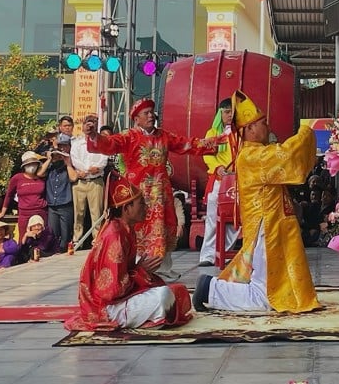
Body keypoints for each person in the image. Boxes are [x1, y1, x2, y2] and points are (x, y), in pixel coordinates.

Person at [193, 90, 320, 314]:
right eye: (263, 123)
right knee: (265, 296)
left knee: (276, 286)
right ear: (249, 129)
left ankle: (214, 289)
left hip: (274, 225)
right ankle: (210, 289)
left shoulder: (257, 153)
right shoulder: (252, 156)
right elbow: (287, 157)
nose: (268, 126)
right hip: (267, 229)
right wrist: (305, 132)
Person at [88, 98, 218, 279]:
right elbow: (109, 143)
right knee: (139, 228)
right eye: (146, 113)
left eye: (151, 112)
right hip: (138, 194)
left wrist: (216, 143)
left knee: (163, 227)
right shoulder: (129, 136)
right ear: (136, 118)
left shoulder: (163, 136)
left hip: (161, 193)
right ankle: (139, 267)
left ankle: (163, 268)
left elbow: (186, 144)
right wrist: (94, 136)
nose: (151, 116)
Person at [64, 177, 194, 331]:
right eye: (141, 204)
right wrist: (142, 272)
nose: (146, 208)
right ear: (126, 208)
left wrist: (140, 271)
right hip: (107, 308)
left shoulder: (125, 229)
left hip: (119, 299)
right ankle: (149, 319)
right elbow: (111, 291)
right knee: (163, 295)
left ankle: (153, 317)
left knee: (177, 291)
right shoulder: (115, 236)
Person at [198, 98, 240, 267]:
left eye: (232, 112)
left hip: (238, 180)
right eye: (226, 112)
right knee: (213, 217)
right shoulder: (212, 133)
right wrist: (218, 167)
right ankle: (207, 255)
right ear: (220, 113)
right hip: (219, 180)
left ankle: (225, 252)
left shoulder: (241, 133)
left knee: (236, 218)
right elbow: (207, 154)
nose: (229, 115)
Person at [70, 113, 108, 249]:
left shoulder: (101, 141)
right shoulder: (76, 143)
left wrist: (96, 168)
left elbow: (103, 159)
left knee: (96, 212)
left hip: (95, 181)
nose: (90, 125)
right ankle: (77, 239)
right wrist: (87, 170)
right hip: (80, 181)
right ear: (83, 125)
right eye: (88, 123)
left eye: (93, 123)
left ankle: (96, 239)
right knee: (78, 212)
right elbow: (74, 159)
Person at [0, 149, 48, 238]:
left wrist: (49, 159)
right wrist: (2, 212)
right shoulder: (17, 178)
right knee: (24, 238)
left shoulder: (42, 178)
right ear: (24, 166)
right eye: (28, 164)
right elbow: (9, 195)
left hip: (41, 212)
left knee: (41, 238)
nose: (31, 166)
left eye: (33, 164)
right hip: (25, 214)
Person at [41, 135, 77, 251]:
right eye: (56, 154)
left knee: (65, 234)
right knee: (53, 232)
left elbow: (73, 178)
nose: (57, 157)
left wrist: (67, 162)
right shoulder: (50, 168)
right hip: (52, 204)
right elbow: (39, 174)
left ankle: (63, 252)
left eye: (59, 155)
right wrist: (49, 159)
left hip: (65, 204)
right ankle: (54, 251)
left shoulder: (68, 166)